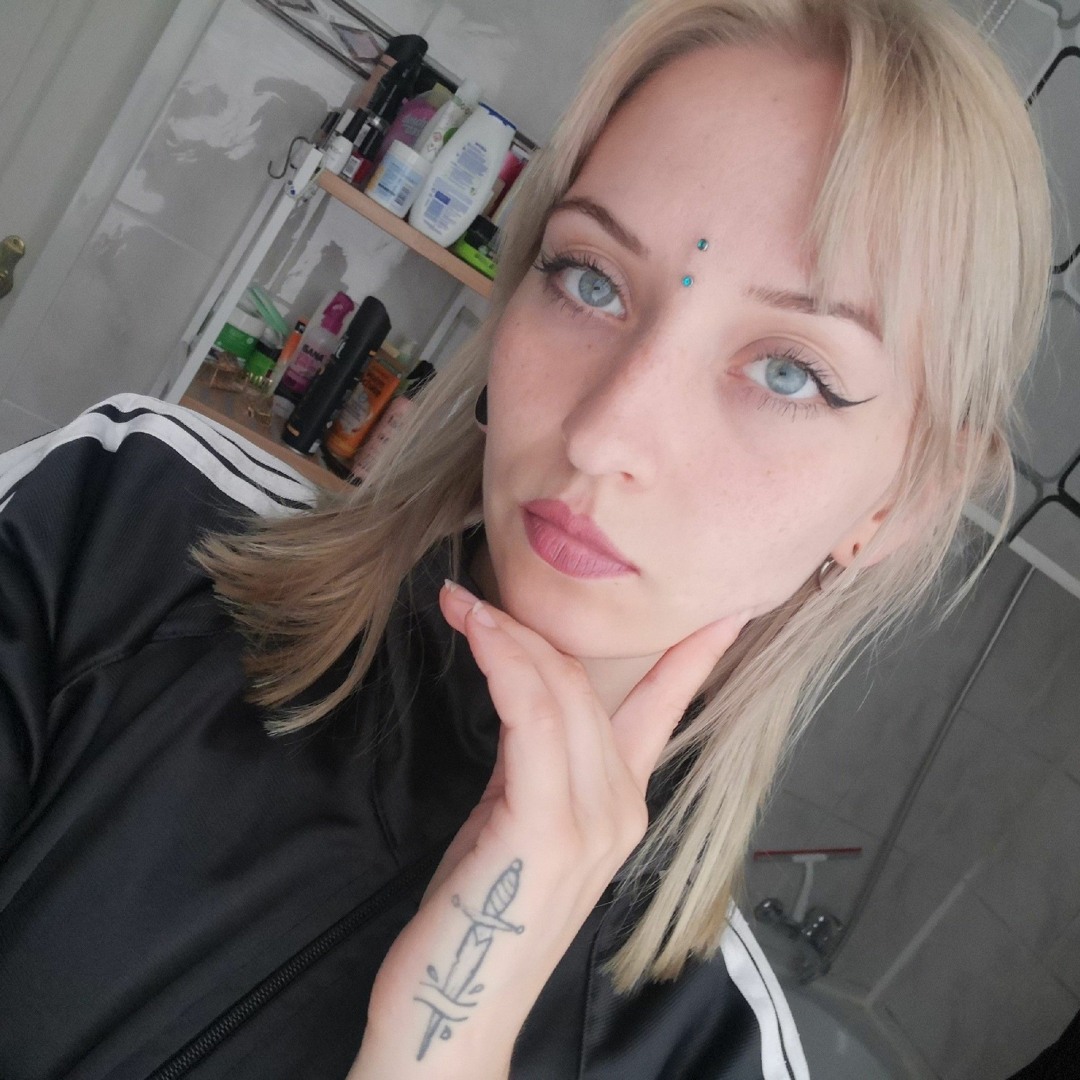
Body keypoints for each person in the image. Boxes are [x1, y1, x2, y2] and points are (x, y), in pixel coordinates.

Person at [0, 0, 1050, 1077]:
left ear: (899, 504)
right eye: (590, 280)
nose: (603, 436)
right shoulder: (115, 529)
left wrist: (442, 1048)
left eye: (789, 372)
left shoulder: (713, 1058)